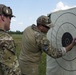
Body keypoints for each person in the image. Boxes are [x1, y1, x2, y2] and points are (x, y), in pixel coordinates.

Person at [0, 4, 21, 75]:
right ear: (3, 17)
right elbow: (12, 71)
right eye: (10, 18)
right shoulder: (5, 39)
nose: (10, 21)